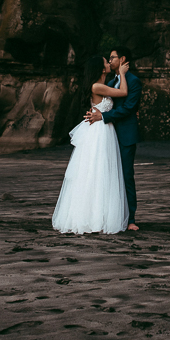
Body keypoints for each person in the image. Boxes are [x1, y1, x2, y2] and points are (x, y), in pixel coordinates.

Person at [52, 55, 130, 234]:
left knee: (101, 171)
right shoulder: (97, 86)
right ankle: (93, 217)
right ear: (101, 69)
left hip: (103, 129)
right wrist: (123, 74)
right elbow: (123, 92)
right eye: (106, 62)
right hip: (99, 132)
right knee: (98, 171)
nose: (109, 63)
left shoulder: (102, 85)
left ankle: (99, 216)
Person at [85, 47, 142, 231]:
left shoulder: (133, 81)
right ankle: (109, 216)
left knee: (125, 177)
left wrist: (103, 116)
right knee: (108, 177)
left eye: (112, 58)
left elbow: (128, 108)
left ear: (122, 59)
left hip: (124, 134)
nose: (109, 61)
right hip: (108, 135)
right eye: (107, 59)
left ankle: (130, 219)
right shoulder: (110, 81)